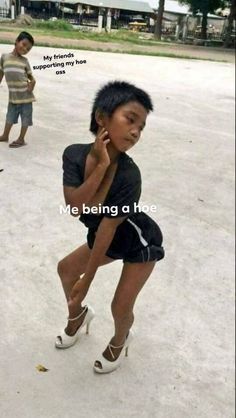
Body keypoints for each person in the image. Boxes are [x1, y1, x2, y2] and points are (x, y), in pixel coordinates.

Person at [56, 81, 165, 374]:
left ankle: (120, 339)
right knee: (66, 270)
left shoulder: (130, 175)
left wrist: (88, 279)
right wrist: (102, 166)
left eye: (141, 127)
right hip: (107, 236)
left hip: (138, 241)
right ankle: (78, 317)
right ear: (102, 118)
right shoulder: (74, 155)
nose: (135, 132)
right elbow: (75, 207)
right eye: (130, 120)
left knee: (120, 306)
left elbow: (108, 228)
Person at [0, 31, 36, 148]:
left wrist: (32, 84)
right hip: (13, 97)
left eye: (28, 49)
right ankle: (5, 136)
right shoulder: (4, 57)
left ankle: (21, 139)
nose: (25, 49)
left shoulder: (24, 61)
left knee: (25, 119)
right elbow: (1, 74)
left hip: (26, 97)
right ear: (17, 41)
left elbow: (31, 78)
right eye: (24, 44)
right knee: (9, 117)